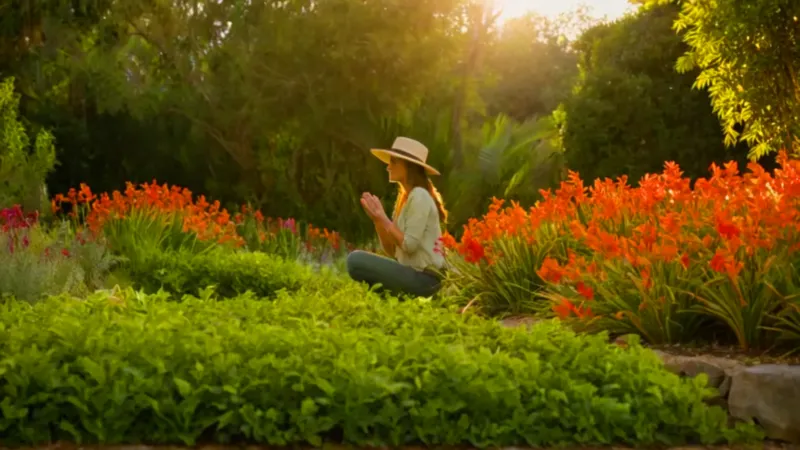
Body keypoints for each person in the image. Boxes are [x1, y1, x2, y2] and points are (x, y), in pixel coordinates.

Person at [346, 137, 448, 297]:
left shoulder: (419, 195)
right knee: (357, 262)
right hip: (412, 274)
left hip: (426, 280)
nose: (388, 167)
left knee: (355, 260)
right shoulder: (405, 200)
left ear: (408, 166)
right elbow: (392, 251)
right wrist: (377, 221)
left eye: (393, 162)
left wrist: (383, 218)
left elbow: (409, 245)